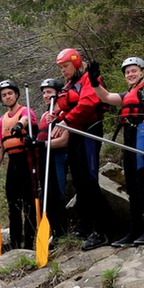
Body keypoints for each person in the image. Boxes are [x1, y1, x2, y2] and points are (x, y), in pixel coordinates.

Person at [90, 56, 144, 246]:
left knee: (143, 185)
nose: (130, 74)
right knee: (132, 187)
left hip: (143, 137)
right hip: (130, 139)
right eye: (127, 72)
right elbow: (105, 97)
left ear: (143, 72)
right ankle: (135, 230)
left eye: (134, 70)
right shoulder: (128, 93)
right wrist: (94, 81)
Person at [51, 48, 112, 251]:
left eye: (65, 66)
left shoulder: (89, 79)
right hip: (76, 133)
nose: (63, 71)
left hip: (90, 131)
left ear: (76, 63)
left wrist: (65, 120)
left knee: (89, 180)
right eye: (60, 68)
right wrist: (58, 118)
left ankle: (101, 230)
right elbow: (66, 106)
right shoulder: (69, 85)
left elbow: (88, 102)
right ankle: (84, 226)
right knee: (79, 181)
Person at [0, 80, 38, 250]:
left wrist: (19, 125)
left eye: (10, 93)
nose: (7, 97)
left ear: (16, 94)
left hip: (28, 160)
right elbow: (0, 147)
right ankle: (16, 243)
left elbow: (26, 120)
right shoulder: (2, 121)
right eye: (4, 95)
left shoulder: (26, 111)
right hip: (13, 163)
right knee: (13, 205)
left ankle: (30, 243)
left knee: (29, 204)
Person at [26, 78, 69, 243]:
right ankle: (53, 232)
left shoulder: (64, 114)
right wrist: (33, 143)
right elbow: (40, 139)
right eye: (44, 92)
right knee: (47, 196)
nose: (45, 95)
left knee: (57, 194)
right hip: (44, 159)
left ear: (58, 94)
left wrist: (40, 143)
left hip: (58, 157)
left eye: (49, 92)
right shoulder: (45, 114)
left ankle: (62, 233)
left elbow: (64, 141)